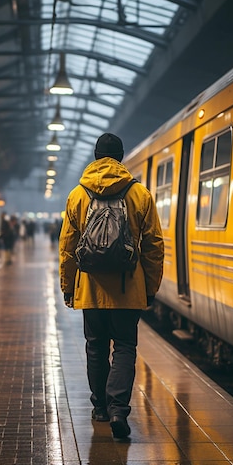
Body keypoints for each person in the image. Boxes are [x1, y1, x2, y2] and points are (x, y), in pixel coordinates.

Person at [59, 133, 164, 439]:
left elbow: (67, 245)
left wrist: (68, 285)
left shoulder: (78, 195)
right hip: (127, 289)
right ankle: (119, 408)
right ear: (121, 157)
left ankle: (100, 407)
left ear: (95, 157)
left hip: (90, 289)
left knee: (95, 347)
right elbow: (154, 245)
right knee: (125, 348)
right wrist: (150, 286)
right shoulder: (139, 194)